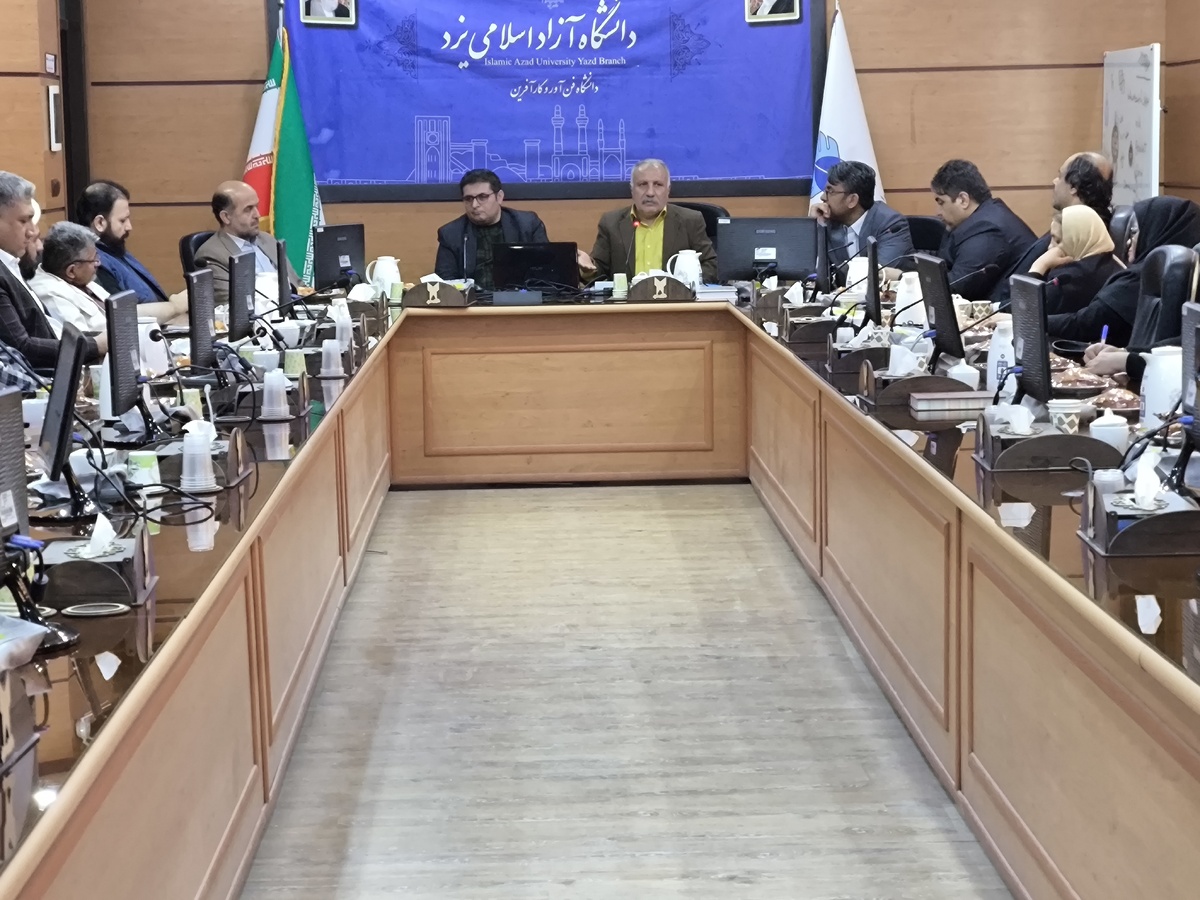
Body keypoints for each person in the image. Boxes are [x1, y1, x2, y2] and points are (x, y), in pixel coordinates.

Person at [1048, 195, 1200, 348]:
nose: (1128, 241)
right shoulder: (1189, 277)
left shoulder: (1143, 278)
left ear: (1155, 231)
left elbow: (1085, 324)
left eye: (1135, 232)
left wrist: (1037, 269)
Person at [0, 172, 104, 367]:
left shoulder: (11, 264)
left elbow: (46, 332)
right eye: (23, 221)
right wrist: (95, 345)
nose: (32, 231)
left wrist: (103, 338)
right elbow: (22, 349)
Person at [996, 153, 1114, 305]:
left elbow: (1027, 306)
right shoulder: (1068, 225)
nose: (1054, 181)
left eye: (1060, 176)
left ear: (1074, 187)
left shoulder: (1080, 238)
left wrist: (1040, 266)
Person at [584, 159, 717, 283]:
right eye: (643, 184)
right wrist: (587, 268)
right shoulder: (611, 223)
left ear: (668, 190)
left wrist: (685, 286)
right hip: (628, 300)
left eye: (658, 185)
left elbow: (711, 265)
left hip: (675, 298)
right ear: (632, 190)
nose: (650, 193)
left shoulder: (690, 221)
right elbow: (599, 272)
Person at [77, 180, 188, 319]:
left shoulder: (113, 248)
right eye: (122, 221)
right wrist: (174, 307)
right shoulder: (92, 262)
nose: (129, 227)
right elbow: (120, 314)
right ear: (100, 222)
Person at [929, 159, 1036, 301]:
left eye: (941, 202)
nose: (938, 212)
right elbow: (944, 263)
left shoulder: (988, 229)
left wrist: (912, 282)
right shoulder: (979, 220)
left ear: (963, 200)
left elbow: (955, 288)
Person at [434, 169, 549, 291]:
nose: (474, 205)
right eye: (468, 199)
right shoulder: (451, 234)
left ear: (499, 197)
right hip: (473, 301)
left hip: (519, 299)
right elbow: (445, 283)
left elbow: (546, 271)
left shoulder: (527, 225)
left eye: (482, 197)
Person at [194, 181, 299, 308]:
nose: (257, 215)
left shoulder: (268, 240)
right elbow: (233, 304)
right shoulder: (211, 256)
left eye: (256, 207)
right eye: (248, 210)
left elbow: (298, 284)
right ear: (226, 217)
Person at [809, 160, 914, 282]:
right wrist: (813, 227)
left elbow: (878, 274)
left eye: (830, 191)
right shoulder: (828, 222)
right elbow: (808, 270)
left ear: (852, 200)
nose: (822, 197)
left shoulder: (890, 224)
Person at [1022, 206, 1124, 316]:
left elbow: (1022, 309)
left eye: (1058, 240)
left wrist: (1039, 266)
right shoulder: (1109, 260)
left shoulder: (1072, 277)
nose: (1050, 247)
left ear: (1077, 239)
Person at [28, 222, 117, 334]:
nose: (98, 263)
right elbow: (83, 341)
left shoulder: (82, 279)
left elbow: (119, 312)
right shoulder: (50, 294)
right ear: (71, 271)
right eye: (93, 260)